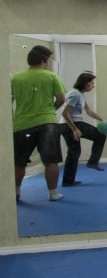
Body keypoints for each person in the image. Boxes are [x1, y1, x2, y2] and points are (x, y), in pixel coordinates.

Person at [12, 45, 68, 202]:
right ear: (44, 59)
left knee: (19, 162)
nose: (50, 63)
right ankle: (53, 194)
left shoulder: (16, 78)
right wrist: (51, 110)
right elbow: (61, 99)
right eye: (49, 59)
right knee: (51, 160)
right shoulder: (51, 76)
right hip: (47, 123)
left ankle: (15, 193)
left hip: (22, 125)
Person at [61, 71, 107, 186]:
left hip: (72, 124)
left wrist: (102, 120)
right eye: (91, 83)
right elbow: (65, 113)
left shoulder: (81, 94)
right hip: (71, 124)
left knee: (74, 152)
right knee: (100, 135)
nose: (93, 85)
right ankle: (93, 162)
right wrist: (75, 129)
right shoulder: (75, 94)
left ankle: (68, 181)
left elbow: (89, 111)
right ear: (84, 83)